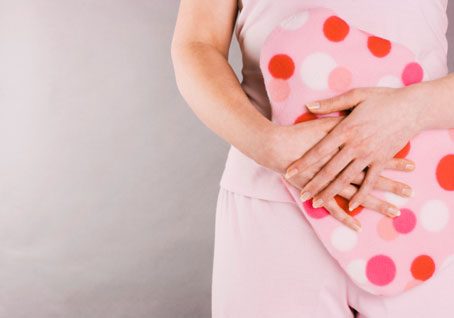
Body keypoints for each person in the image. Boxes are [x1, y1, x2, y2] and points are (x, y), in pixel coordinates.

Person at [171, 0, 454, 316]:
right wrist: (267, 143)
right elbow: (197, 44)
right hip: (273, 202)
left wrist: (414, 110)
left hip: (424, 201)